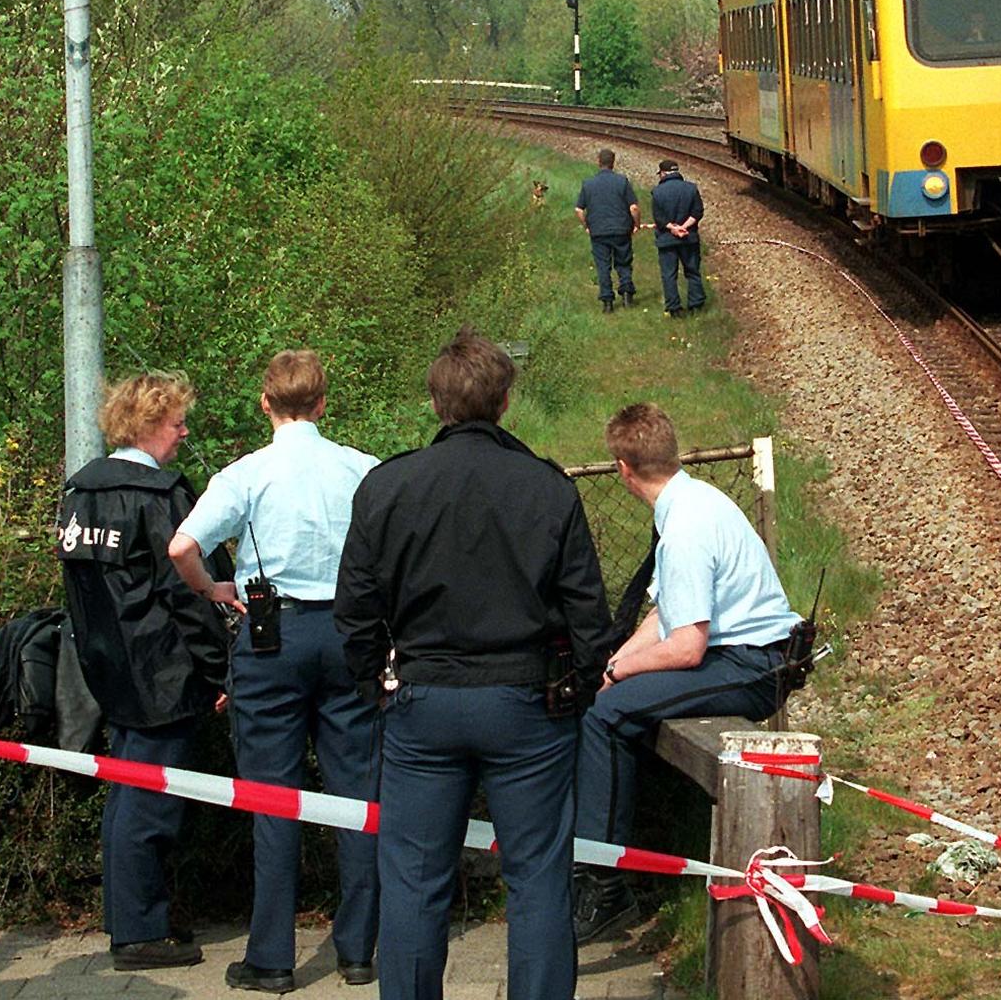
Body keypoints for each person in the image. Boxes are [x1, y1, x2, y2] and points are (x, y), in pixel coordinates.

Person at [334, 330, 610, 1000]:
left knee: (413, 881)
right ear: (505, 401)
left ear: (435, 402)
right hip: (527, 703)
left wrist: (376, 684)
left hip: (423, 700)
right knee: (538, 877)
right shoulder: (548, 488)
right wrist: (575, 690)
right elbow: (588, 613)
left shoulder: (387, 486)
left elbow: (355, 609)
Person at [167, 350, 381, 994]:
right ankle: (359, 950)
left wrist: (212, 589)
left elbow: (182, 546)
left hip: (271, 637)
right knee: (358, 795)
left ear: (266, 404)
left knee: (271, 798)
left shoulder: (246, 474)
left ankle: (272, 958)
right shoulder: (363, 469)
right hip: (346, 633)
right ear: (322, 403)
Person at [572, 403, 799, 945]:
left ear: (623, 469)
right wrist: (615, 664)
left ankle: (603, 887)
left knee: (604, 716)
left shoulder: (684, 530)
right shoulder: (695, 501)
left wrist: (617, 672)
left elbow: (687, 647)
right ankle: (602, 870)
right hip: (743, 653)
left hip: (754, 664)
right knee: (610, 699)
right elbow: (666, 613)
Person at [57, 371, 230, 972]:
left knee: (127, 795)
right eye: (176, 422)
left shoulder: (80, 492)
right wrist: (219, 669)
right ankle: (139, 932)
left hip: (107, 666)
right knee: (151, 803)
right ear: (149, 422)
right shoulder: (159, 496)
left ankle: (132, 916)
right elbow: (188, 592)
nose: (184, 433)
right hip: (163, 671)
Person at [575, 148, 640, 312]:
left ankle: (607, 301)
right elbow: (633, 207)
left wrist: (587, 225)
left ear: (599, 161)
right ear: (613, 162)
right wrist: (636, 224)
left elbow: (579, 210)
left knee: (603, 266)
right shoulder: (622, 181)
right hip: (621, 229)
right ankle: (627, 293)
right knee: (623, 262)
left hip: (598, 231)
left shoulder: (588, 184)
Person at [649, 160, 706, 318]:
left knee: (669, 275)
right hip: (689, 238)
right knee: (692, 271)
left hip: (667, 239)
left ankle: (674, 308)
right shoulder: (691, 188)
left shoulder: (657, 192)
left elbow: (659, 218)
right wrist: (684, 227)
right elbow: (698, 212)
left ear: (663, 173)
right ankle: (696, 304)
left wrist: (673, 228)